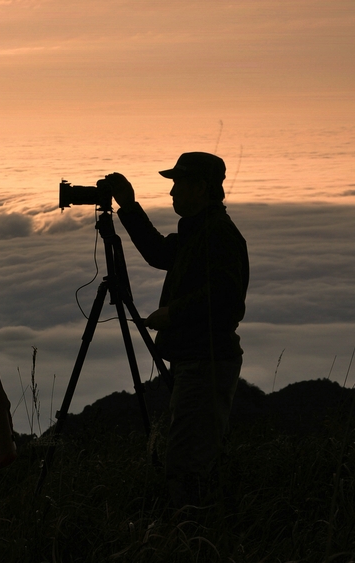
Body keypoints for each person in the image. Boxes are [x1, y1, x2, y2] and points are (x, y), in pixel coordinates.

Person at [105, 152, 249, 508]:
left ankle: (192, 534)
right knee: (192, 455)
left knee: (186, 464)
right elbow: (159, 253)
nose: (171, 192)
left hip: (206, 361)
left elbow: (228, 298)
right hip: (198, 359)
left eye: (177, 184)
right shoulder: (200, 229)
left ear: (200, 188)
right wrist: (128, 206)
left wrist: (173, 314)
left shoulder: (217, 233)